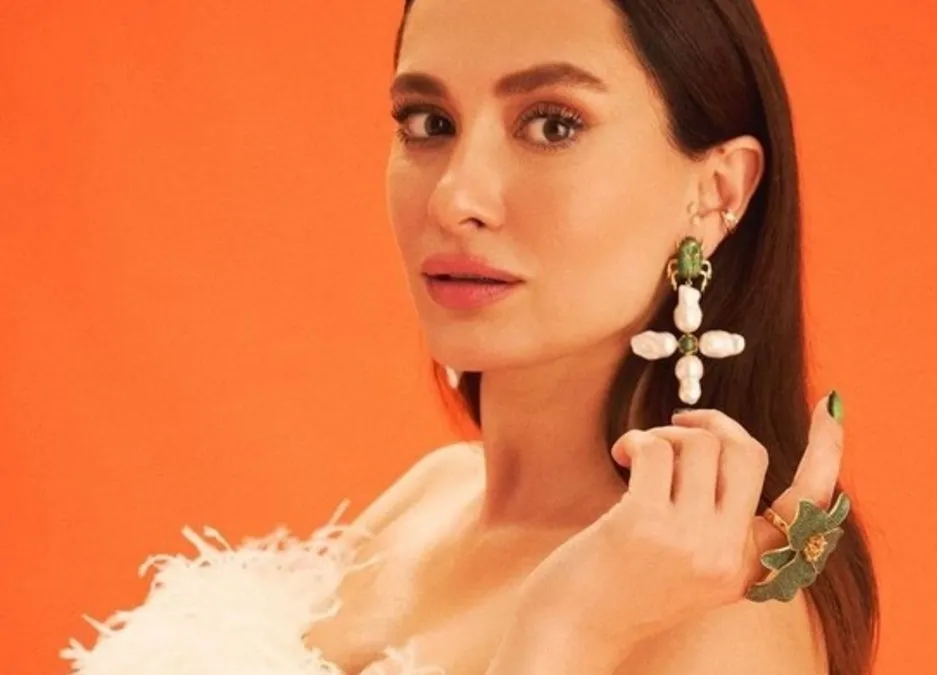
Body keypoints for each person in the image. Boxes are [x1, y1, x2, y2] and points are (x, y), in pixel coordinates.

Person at [63, 1, 879, 674]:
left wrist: (569, 629)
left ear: (717, 190)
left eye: (552, 124)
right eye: (429, 121)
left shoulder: (710, 616)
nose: (454, 198)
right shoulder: (432, 493)